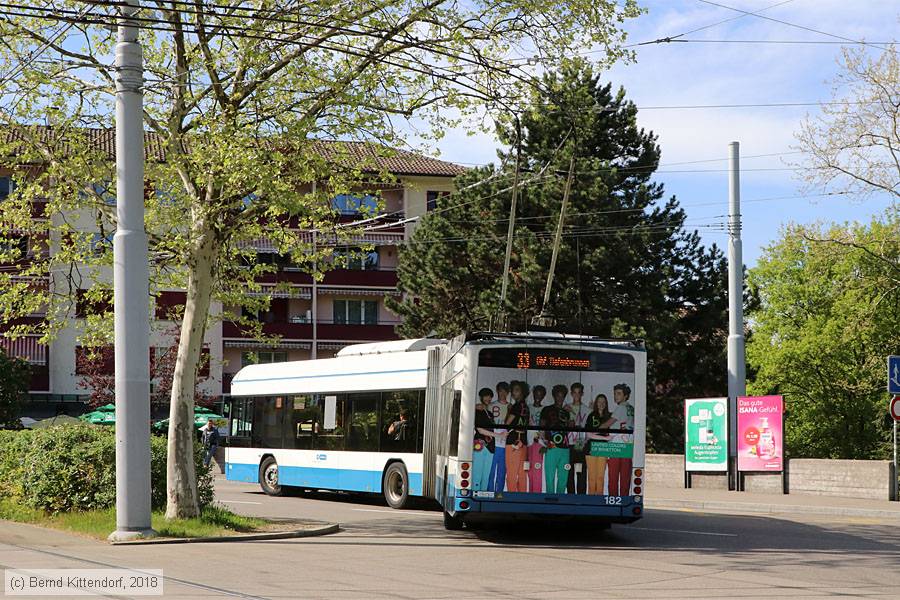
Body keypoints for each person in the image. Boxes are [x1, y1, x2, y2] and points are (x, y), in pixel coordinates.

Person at [539, 384, 572, 494]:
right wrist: (544, 443)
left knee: (563, 478)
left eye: (562, 396)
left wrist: (571, 416)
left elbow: (570, 430)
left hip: (565, 448)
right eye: (558, 396)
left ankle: (561, 501)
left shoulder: (566, 412)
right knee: (550, 477)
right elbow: (541, 427)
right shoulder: (547, 409)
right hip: (551, 447)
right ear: (554, 396)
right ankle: (550, 500)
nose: (560, 398)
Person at [584, 394, 616, 495]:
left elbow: (613, 434)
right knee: (592, 477)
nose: (601, 404)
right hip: (591, 448)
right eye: (599, 402)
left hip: (603, 449)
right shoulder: (591, 415)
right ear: (596, 403)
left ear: (606, 404)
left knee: (600, 477)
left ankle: (599, 499)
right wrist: (604, 438)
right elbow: (589, 435)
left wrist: (603, 438)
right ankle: (591, 500)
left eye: (603, 402)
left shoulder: (610, 416)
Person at [607, 383, 635, 496]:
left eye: (619, 394)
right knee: (625, 478)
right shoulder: (631, 408)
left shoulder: (620, 407)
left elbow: (608, 424)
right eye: (614, 394)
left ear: (625, 396)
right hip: (628, 446)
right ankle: (624, 500)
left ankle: (612, 502)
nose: (616, 396)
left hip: (615, 447)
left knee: (613, 478)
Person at [504, 380, 530, 492]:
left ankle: (511, 497)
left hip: (513, 441)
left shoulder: (516, 406)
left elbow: (507, 423)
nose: (514, 393)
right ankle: (522, 497)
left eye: (517, 390)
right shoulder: (526, 407)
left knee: (511, 472)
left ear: (522, 392)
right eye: (513, 390)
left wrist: (508, 411)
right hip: (523, 442)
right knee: (522, 472)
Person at [566, 382, 589, 494]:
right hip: (568, 442)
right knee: (569, 471)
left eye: (579, 393)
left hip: (580, 442)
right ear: (571, 393)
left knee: (581, 471)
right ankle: (571, 495)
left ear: (582, 394)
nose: (576, 395)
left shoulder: (587, 409)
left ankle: (581, 496)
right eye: (574, 392)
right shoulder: (566, 408)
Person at [472, 387, 496, 491]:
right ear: (481, 397)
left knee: (486, 475)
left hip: (490, 446)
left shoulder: (490, 414)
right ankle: (475, 494)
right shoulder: (477, 410)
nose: (488, 398)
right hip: (479, 445)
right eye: (486, 396)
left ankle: (483, 495)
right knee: (477, 474)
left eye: (490, 396)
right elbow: (479, 429)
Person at [526, 384, 546, 493]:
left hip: (539, 442)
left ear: (543, 396)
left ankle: (536, 494)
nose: (538, 396)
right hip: (527, 442)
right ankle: (531, 494)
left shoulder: (545, 409)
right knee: (529, 470)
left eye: (541, 394)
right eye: (536, 394)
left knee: (537, 469)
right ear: (533, 394)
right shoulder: (527, 407)